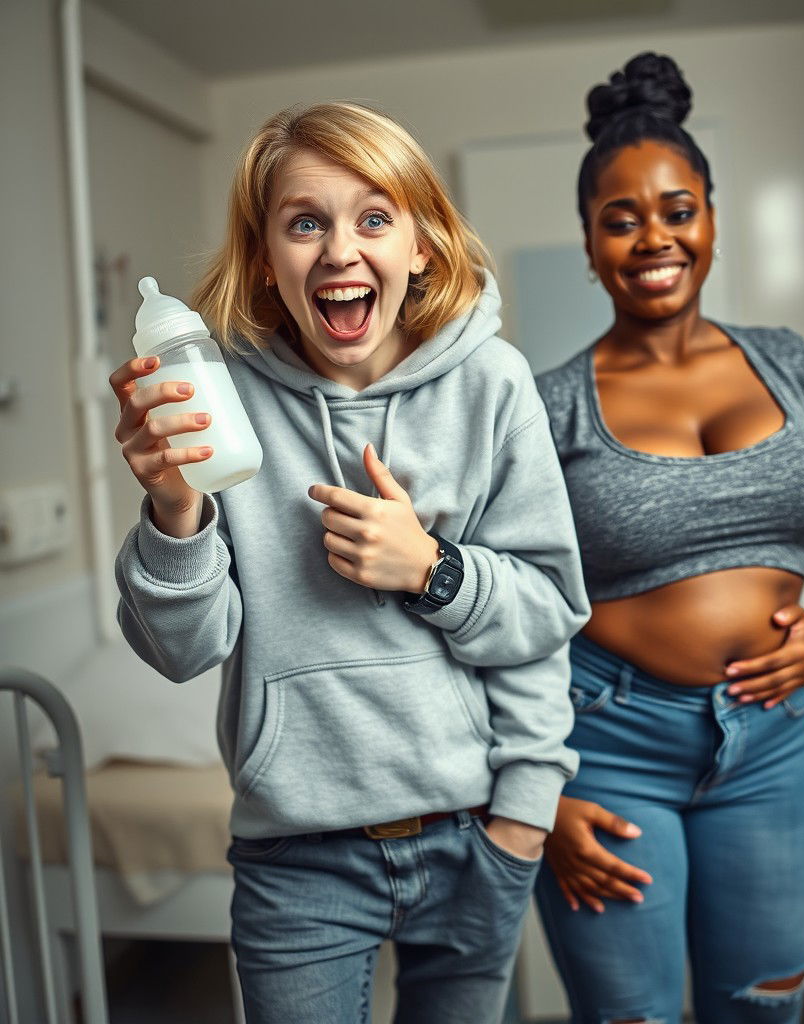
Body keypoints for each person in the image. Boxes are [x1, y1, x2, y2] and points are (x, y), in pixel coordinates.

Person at [108, 101, 589, 1024]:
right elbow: (182, 651)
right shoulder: (217, 404)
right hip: (297, 862)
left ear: (423, 247)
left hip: (473, 836)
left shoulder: (493, 385)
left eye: (374, 217)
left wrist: (434, 570)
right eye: (304, 222)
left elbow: (548, 611)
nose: (338, 251)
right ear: (264, 261)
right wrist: (175, 510)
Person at [533, 53, 804, 1024]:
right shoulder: (546, 408)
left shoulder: (786, 362)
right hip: (602, 747)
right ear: (589, 242)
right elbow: (497, 610)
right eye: (621, 218)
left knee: (762, 1008)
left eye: (677, 208)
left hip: (772, 750)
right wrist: (531, 792)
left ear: (711, 219)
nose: (654, 236)